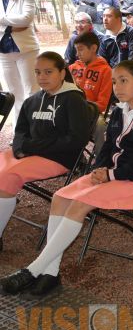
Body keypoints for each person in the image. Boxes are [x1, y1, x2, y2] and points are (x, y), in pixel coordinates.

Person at [0, 60, 133, 296]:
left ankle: (33, 270)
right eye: (114, 81)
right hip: (111, 173)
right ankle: (51, 272)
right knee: (60, 197)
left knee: (80, 204)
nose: (117, 87)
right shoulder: (119, 110)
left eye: (124, 81)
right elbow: (107, 147)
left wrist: (112, 174)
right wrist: (98, 168)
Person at [0, 51, 90, 255]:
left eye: (48, 72)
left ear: (62, 72)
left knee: (6, 176)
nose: (42, 77)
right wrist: (20, 148)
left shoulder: (73, 100)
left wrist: (31, 148)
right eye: (38, 72)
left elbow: (76, 139)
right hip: (29, 153)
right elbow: (20, 130)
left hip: (58, 157)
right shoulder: (33, 99)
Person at [0, 0, 39, 125]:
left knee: (32, 91)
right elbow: (18, 22)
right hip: (4, 50)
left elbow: (25, 19)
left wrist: (2, 20)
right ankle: (19, 131)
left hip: (26, 49)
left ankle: (35, 129)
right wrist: (11, 23)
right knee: (14, 93)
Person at [68, 32, 113, 113]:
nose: (77, 54)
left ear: (93, 48)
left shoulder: (106, 71)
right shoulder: (72, 68)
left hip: (90, 112)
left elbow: (102, 104)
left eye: (81, 49)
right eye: (76, 50)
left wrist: (82, 108)